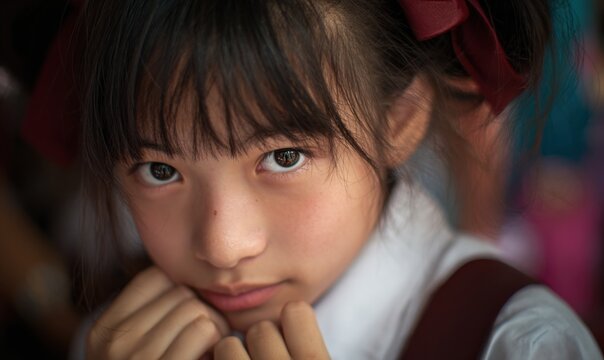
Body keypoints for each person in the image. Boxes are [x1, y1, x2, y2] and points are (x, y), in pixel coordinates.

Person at [74, 0, 603, 359]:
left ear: (398, 120)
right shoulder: (117, 341)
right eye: (160, 170)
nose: (223, 248)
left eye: (284, 158)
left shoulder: (517, 343)